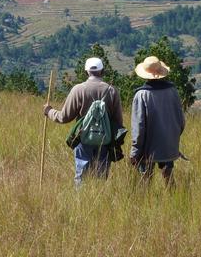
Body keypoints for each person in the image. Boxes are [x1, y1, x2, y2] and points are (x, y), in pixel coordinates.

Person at [43, 57, 124, 186]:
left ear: (87, 72)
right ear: (102, 71)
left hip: (83, 137)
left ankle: (80, 202)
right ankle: (100, 201)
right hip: (105, 139)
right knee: (101, 177)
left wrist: (49, 111)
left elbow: (64, 117)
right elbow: (118, 122)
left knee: (81, 175)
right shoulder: (112, 91)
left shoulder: (78, 89)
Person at [129, 56, 185, 188]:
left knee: (145, 179)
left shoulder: (141, 95)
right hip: (168, 144)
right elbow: (181, 120)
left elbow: (138, 127)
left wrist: (135, 151)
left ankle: (146, 204)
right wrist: (173, 138)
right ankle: (174, 201)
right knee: (169, 176)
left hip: (148, 147)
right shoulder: (173, 91)